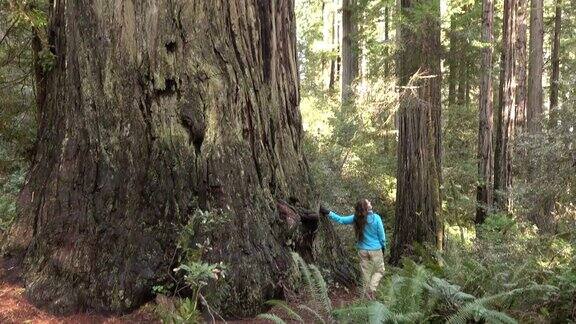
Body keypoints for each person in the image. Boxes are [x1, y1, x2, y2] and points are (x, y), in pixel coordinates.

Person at [320, 199, 386, 299]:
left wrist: (328, 212)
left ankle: (365, 296)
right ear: (366, 207)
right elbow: (382, 236)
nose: (370, 203)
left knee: (365, 274)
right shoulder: (376, 218)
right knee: (380, 271)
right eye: (368, 203)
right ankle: (371, 289)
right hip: (376, 250)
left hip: (362, 250)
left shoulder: (356, 218)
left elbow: (340, 220)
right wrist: (383, 246)